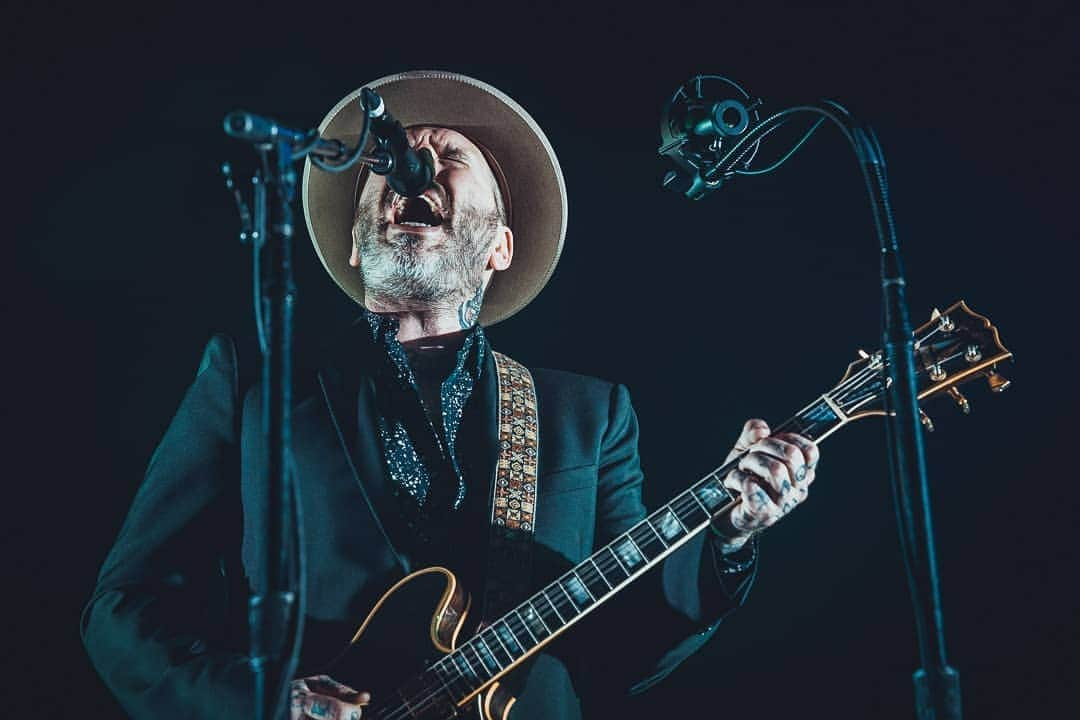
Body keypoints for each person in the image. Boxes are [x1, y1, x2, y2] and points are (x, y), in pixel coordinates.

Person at [82, 71, 820, 720]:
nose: (416, 167)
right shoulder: (255, 382)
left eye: (452, 157)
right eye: (391, 162)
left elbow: (623, 647)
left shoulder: (586, 418)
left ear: (499, 245)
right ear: (352, 241)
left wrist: (727, 538)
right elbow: (121, 610)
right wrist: (267, 705)